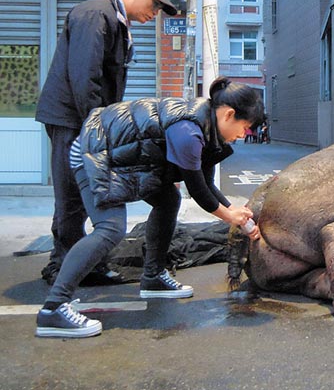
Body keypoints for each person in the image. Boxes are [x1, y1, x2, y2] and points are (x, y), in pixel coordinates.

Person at [35, 77, 265, 338]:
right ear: (229, 114)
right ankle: (53, 309)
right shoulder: (189, 131)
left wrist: (232, 209)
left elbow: (206, 182)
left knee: (168, 200)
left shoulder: (209, 129)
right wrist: (230, 217)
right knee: (110, 228)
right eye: (245, 128)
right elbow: (198, 190)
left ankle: (153, 276)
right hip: (95, 151)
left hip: (125, 156)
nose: (244, 135)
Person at [35, 0, 178, 286]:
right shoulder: (95, 14)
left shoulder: (117, 21)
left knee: (89, 191)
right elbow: (84, 77)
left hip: (86, 120)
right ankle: (64, 266)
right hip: (72, 119)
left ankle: (85, 265)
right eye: (154, 5)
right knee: (72, 193)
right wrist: (96, 128)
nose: (154, 14)